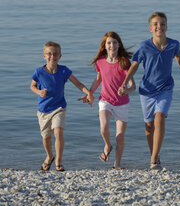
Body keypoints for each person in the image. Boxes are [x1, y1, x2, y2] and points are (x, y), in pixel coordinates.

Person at [118, 12, 180, 170]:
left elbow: (179, 57)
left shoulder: (174, 44)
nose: (159, 26)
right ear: (150, 28)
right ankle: (155, 153)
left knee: (160, 117)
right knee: (149, 125)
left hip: (165, 88)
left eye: (162, 24)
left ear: (167, 27)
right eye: (156, 24)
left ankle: (153, 159)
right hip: (147, 90)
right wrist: (125, 83)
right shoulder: (144, 46)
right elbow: (134, 65)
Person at [30, 41, 94, 172]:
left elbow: (77, 83)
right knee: (46, 137)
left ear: (60, 56)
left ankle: (58, 161)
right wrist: (39, 92)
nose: (52, 56)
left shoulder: (64, 70)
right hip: (43, 110)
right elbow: (32, 86)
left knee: (58, 131)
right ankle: (49, 156)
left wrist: (88, 92)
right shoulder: (39, 72)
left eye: (55, 54)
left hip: (59, 107)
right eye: (49, 54)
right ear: (44, 56)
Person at [80, 32, 136, 170]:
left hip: (122, 103)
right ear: (104, 46)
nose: (112, 45)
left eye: (115, 42)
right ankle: (107, 145)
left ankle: (117, 164)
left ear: (119, 44)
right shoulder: (100, 61)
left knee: (120, 137)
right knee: (103, 127)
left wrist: (125, 90)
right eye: (109, 43)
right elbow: (99, 79)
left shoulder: (124, 63)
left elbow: (133, 87)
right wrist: (90, 93)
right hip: (105, 100)